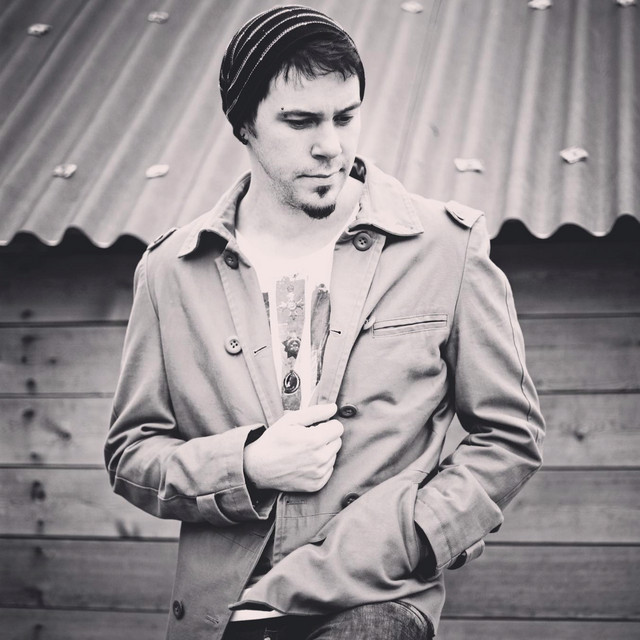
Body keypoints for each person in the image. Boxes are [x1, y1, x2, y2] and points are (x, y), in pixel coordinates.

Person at [105, 5, 544, 640]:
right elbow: (131, 454)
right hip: (223, 614)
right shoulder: (170, 270)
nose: (330, 146)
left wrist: (420, 534)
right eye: (300, 121)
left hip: (377, 599)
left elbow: (510, 436)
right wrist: (247, 465)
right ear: (243, 124)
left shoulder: (447, 246)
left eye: (346, 116)